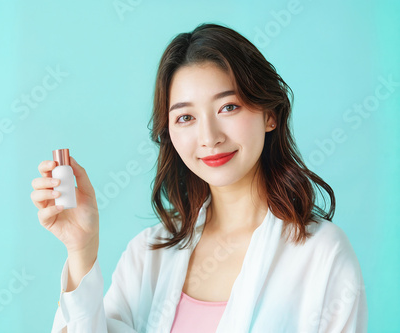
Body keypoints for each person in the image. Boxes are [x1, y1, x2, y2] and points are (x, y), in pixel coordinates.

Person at [31, 22, 368, 333]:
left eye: (229, 107)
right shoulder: (149, 253)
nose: (209, 137)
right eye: (186, 117)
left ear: (270, 114)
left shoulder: (323, 254)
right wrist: (82, 249)